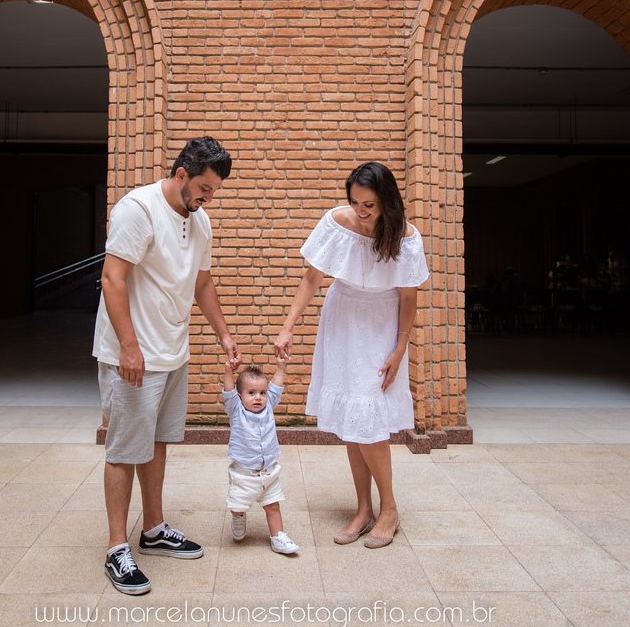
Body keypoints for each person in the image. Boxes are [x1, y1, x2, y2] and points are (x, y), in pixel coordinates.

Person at [93, 136, 241, 595]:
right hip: (133, 355)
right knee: (123, 448)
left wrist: (223, 333)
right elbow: (112, 277)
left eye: (214, 190)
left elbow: (203, 283)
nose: (207, 197)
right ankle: (117, 548)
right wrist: (129, 347)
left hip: (173, 350)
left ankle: (153, 529)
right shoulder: (137, 209)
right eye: (203, 187)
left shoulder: (200, 221)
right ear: (181, 174)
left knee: (157, 441)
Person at [273, 162, 429, 549]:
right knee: (352, 420)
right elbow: (311, 277)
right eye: (356, 202)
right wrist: (288, 326)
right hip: (342, 319)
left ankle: (388, 509)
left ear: (387, 202)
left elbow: (409, 296)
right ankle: (363, 510)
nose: (361, 210)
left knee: (369, 414)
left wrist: (400, 347)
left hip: (382, 325)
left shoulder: (407, 236)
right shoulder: (336, 222)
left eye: (370, 204)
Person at [221, 360, 299, 555]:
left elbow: (276, 386)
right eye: (251, 393)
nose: (258, 397)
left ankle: (278, 536)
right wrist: (228, 372)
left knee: (273, 506)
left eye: (262, 393)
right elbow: (229, 390)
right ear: (240, 397)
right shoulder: (236, 410)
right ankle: (238, 517)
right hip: (244, 475)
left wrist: (279, 367)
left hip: (269, 472)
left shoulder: (269, 407)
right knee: (238, 506)